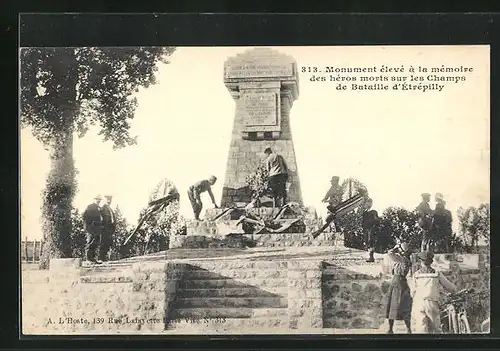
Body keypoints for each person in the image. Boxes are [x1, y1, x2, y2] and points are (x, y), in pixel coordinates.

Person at [411, 251, 458, 333]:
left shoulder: (416, 275)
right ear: (431, 262)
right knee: (435, 328)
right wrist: (454, 290)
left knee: (420, 328)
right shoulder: (436, 274)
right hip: (432, 302)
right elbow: (450, 287)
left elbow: (412, 292)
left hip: (418, 303)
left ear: (421, 262)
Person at [384, 242, 413, 334]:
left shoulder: (402, 259)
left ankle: (392, 329)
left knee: (395, 305)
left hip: (398, 283)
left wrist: (395, 247)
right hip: (399, 283)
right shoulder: (403, 259)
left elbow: (389, 253)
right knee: (402, 305)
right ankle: (407, 329)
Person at [83, 195, 103, 264]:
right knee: (90, 243)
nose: (98, 200)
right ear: (94, 199)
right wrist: (88, 228)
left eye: (99, 199)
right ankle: (88, 259)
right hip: (91, 229)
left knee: (96, 243)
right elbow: (85, 217)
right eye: (97, 199)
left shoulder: (99, 208)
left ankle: (93, 259)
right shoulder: (90, 207)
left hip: (97, 229)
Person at [362, 198, 380, 263]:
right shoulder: (365, 213)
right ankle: (370, 256)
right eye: (367, 203)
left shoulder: (374, 212)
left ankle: (371, 257)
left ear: (371, 203)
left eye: (369, 202)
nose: (368, 204)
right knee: (367, 243)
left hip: (372, 229)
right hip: (366, 230)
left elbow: (377, 221)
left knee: (371, 242)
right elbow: (363, 222)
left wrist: (373, 224)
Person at [99, 195, 116, 262]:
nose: (109, 201)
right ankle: (101, 257)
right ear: (105, 200)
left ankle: (104, 257)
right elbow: (100, 218)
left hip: (109, 229)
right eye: (108, 200)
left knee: (107, 243)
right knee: (103, 243)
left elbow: (112, 219)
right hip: (104, 228)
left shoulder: (110, 209)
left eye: (110, 200)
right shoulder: (103, 208)